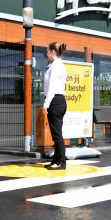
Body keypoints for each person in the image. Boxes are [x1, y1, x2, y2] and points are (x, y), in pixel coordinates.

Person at [43, 42, 68, 170]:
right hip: (59, 100)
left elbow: (52, 87)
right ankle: (56, 160)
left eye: (47, 51)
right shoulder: (58, 65)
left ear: (53, 52)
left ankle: (62, 163)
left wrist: (46, 104)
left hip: (55, 101)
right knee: (56, 133)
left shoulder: (56, 67)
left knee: (57, 134)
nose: (46, 54)